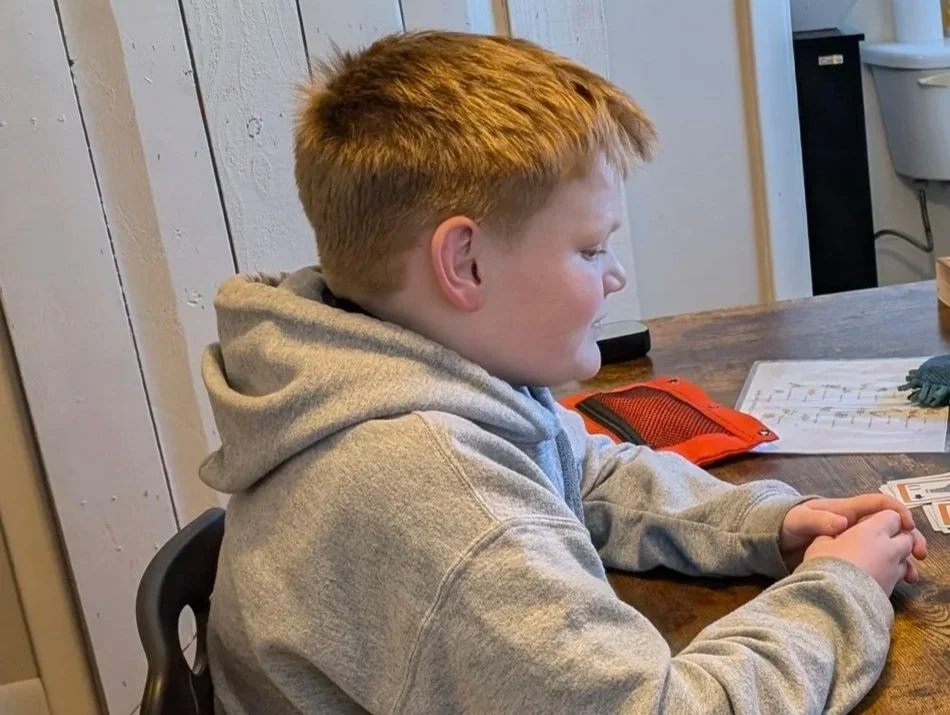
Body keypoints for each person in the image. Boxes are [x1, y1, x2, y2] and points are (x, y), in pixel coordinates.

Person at [199, 31, 927, 714]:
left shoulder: (393, 365)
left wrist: (771, 523)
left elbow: (582, 471)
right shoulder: (433, 499)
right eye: (588, 249)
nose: (614, 277)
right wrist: (842, 587)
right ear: (466, 263)